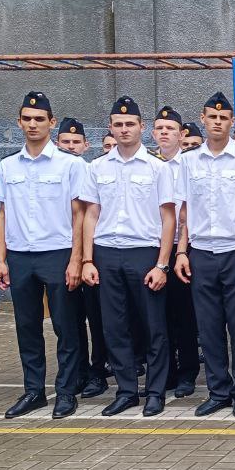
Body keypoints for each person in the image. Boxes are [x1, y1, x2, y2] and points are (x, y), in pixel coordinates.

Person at [0, 91, 88, 420]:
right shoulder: (7, 166)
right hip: (20, 256)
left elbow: (79, 215)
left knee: (65, 326)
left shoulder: (70, 164)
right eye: (27, 119)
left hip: (57, 254)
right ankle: (34, 391)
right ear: (19, 122)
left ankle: (66, 391)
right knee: (27, 326)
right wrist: (0, 260)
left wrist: (76, 259)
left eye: (39, 119)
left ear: (51, 122)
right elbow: (3, 214)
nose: (33, 124)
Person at [79, 96, 177, 417]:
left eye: (130, 124)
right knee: (114, 327)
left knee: (153, 327)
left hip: (144, 254)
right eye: (118, 124)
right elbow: (91, 214)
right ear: (110, 127)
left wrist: (162, 264)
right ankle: (126, 391)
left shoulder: (157, 167)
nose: (124, 129)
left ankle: (155, 392)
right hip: (106, 253)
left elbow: (168, 219)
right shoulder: (96, 167)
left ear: (141, 127)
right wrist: (87, 260)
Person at [173, 92, 235, 418]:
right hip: (201, 252)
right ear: (202, 119)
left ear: (230, 122)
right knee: (209, 326)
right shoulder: (188, 161)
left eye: (223, 118)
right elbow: (185, 211)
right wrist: (181, 252)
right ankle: (218, 391)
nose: (217, 122)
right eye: (212, 117)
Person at [55, 117, 109, 399]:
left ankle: (98, 372)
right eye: (66, 142)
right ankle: (77, 372)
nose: (71, 146)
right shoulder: (55, 170)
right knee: (70, 318)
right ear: (57, 143)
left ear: (86, 145)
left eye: (76, 142)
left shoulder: (92, 171)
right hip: (61, 252)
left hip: (90, 254)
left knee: (96, 317)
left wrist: (86, 258)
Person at [152, 107, 199, 398]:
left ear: (181, 134)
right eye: (160, 128)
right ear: (153, 133)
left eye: (170, 128)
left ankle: (188, 372)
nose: (165, 133)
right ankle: (165, 373)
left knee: (184, 314)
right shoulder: (148, 164)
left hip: (184, 248)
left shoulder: (191, 165)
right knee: (158, 315)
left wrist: (182, 249)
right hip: (155, 247)